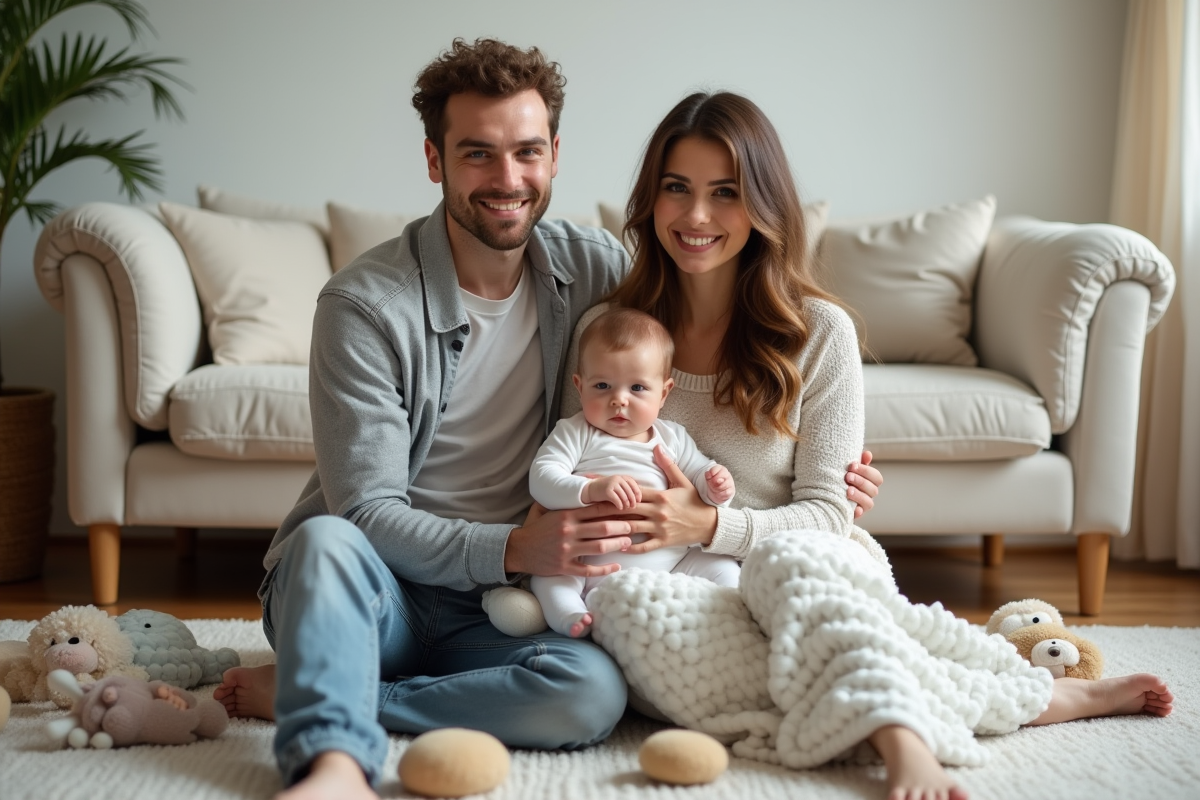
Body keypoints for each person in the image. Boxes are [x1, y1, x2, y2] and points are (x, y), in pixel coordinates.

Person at [211, 38, 885, 800]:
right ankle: (332, 763)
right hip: (377, 587)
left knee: (591, 693)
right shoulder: (364, 307)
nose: (507, 180)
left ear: (555, 156)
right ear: (434, 160)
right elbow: (364, 511)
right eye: (477, 153)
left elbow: (672, 390)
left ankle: (334, 690)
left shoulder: (595, 276)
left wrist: (829, 491)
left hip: (503, 608)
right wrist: (511, 547)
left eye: (527, 151)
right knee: (325, 541)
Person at [555, 90, 1174, 800]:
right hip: (686, 587)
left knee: (787, 565)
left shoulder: (820, 333)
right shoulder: (608, 332)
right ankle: (1034, 698)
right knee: (632, 611)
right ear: (650, 198)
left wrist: (709, 525)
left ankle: (899, 737)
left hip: (807, 569)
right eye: (677, 188)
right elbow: (567, 470)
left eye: (725, 192)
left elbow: (827, 515)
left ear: (763, 205)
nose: (697, 216)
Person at [519, 306, 741, 638]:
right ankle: (571, 617)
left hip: (671, 563)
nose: (619, 400)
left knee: (722, 567)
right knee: (549, 577)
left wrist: (716, 486)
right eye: (602, 385)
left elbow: (698, 476)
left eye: (637, 388)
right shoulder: (576, 432)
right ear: (579, 386)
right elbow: (541, 478)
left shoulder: (672, 437)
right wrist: (589, 490)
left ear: (663, 393)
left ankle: (733, 613)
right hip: (588, 563)